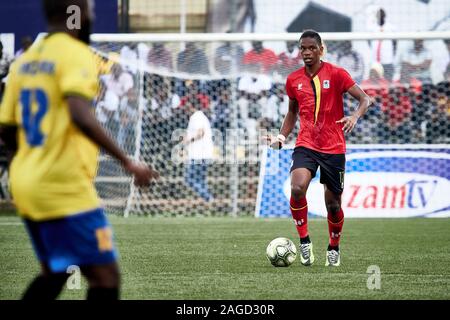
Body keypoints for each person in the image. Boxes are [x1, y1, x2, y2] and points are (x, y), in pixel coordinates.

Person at [0, 0, 159, 300]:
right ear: (75, 13)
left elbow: (7, 130)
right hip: (63, 186)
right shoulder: (76, 55)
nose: (92, 16)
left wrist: (27, 167)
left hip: (27, 183)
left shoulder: (24, 62)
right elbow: (78, 112)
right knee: (105, 277)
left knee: (56, 271)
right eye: (90, 10)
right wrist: (128, 162)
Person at [264, 30, 371, 267]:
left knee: (333, 206)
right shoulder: (293, 80)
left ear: (321, 49)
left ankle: (333, 247)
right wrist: (281, 137)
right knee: (297, 186)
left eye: (312, 48)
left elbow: (365, 99)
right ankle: (304, 242)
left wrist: (354, 116)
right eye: (303, 48)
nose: (307, 52)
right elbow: (292, 112)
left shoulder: (337, 74)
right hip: (306, 144)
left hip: (334, 148)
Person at [182, 100, 214, 203]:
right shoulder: (199, 116)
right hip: (203, 154)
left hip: (199, 155)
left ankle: (208, 198)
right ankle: (208, 201)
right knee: (200, 180)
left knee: (189, 179)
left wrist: (188, 140)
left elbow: (201, 133)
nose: (184, 109)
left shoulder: (196, 116)